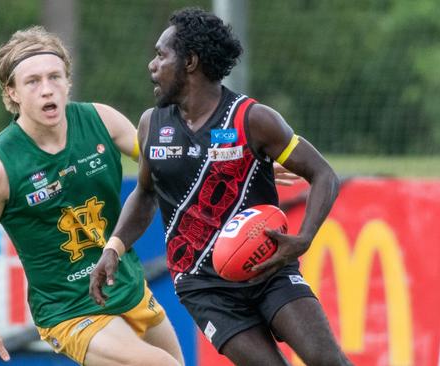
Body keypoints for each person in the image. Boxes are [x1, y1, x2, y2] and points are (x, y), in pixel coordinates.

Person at [90, 7, 351, 366]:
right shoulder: (152, 124)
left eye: (161, 55)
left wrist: (303, 238)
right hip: (202, 284)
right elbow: (146, 193)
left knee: (328, 361)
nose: (152, 65)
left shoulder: (253, 119)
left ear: (191, 62)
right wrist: (114, 248)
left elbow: (324, 174)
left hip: (267, 266)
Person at [0, 26, 184, 366]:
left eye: (55, 77)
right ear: (12, 92)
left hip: (127, 286)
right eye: (32, 81)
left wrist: (242, 160)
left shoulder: (101, 121)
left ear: (68, 81)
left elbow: (171, 163)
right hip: (69, 309)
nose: (47, 90)